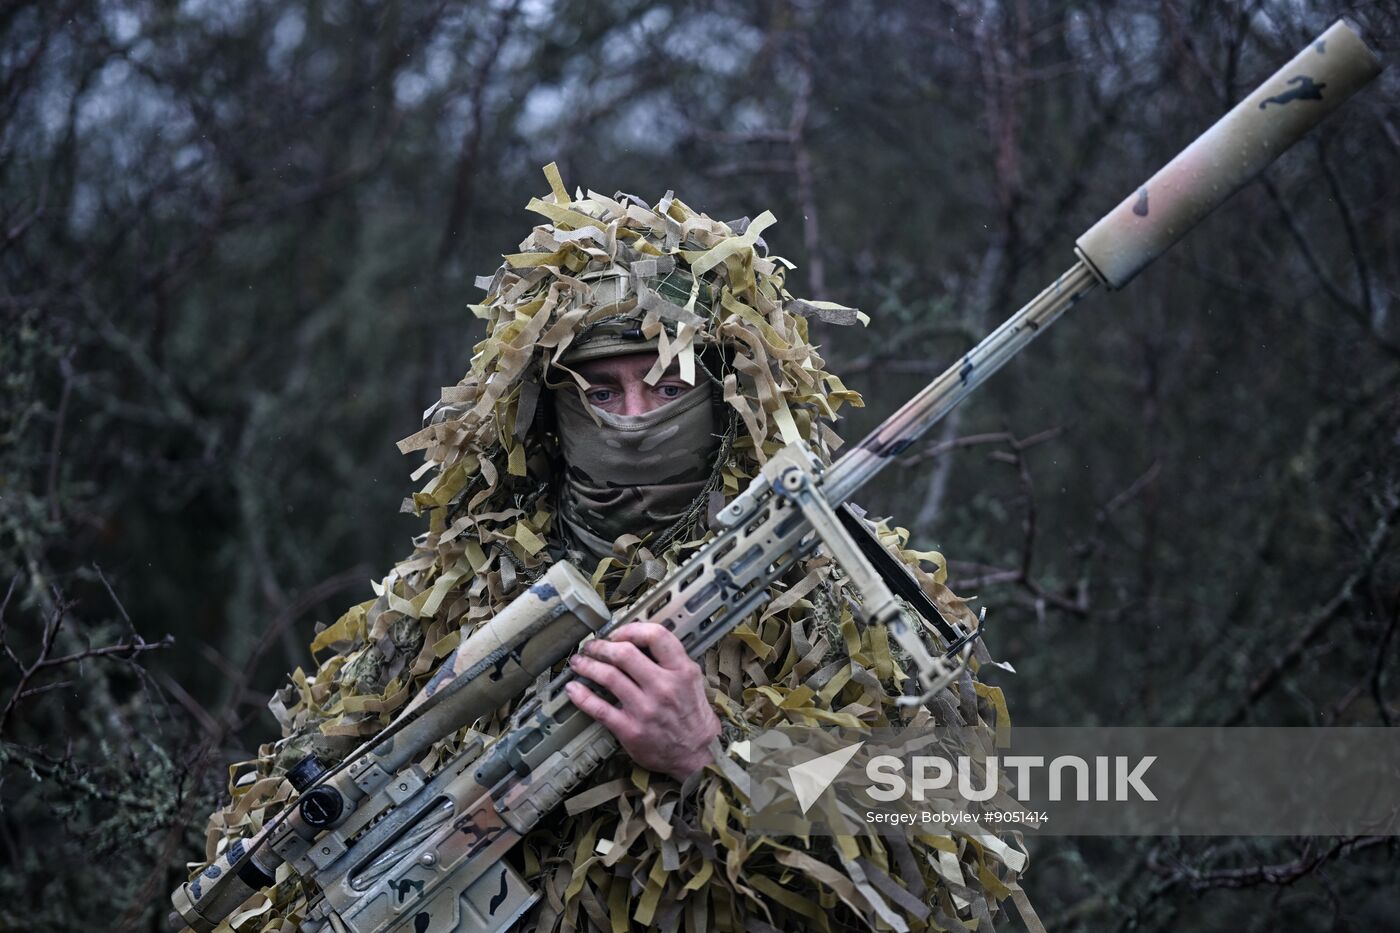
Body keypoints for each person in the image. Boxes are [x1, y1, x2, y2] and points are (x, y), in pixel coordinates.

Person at [196, 164, 1033, 932]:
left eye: (668, 386)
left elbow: (946, 868)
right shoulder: (443, 596)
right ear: (547, 411)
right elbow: (279, 833)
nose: (633, 420)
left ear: (725, 400)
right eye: (601, 390)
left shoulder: (838, 589)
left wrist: (717, 759)